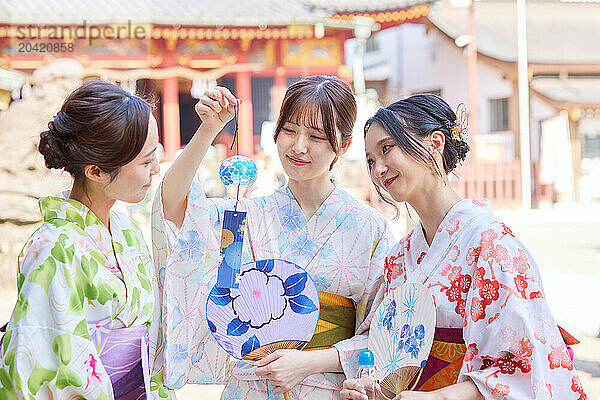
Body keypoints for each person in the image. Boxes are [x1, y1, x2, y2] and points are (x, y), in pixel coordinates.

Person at [152, 76, 393, 399]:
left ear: (343, 145)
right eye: (290, 130)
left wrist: (306, 362)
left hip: (327, 387)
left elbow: (380, 333)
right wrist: (208, 129)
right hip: (250, 386)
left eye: (316, 136)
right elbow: (173, 205)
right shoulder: (245, 216)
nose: (299, 146)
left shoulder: (370, 228)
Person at [340, 95, 585, 400]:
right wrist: (372, 385)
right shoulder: (399, 258)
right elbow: (385, 353)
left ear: (435, 143)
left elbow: (522, 366)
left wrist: (438, 397)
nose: (378, 170)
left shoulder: (492, 243)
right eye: (371, 160)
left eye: (386, 149)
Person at [0, 79, 173, 399]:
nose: (156, 168)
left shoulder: (128, 232)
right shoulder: (53, 250)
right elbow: (53, 367)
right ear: (95, 171)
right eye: (146, 161)